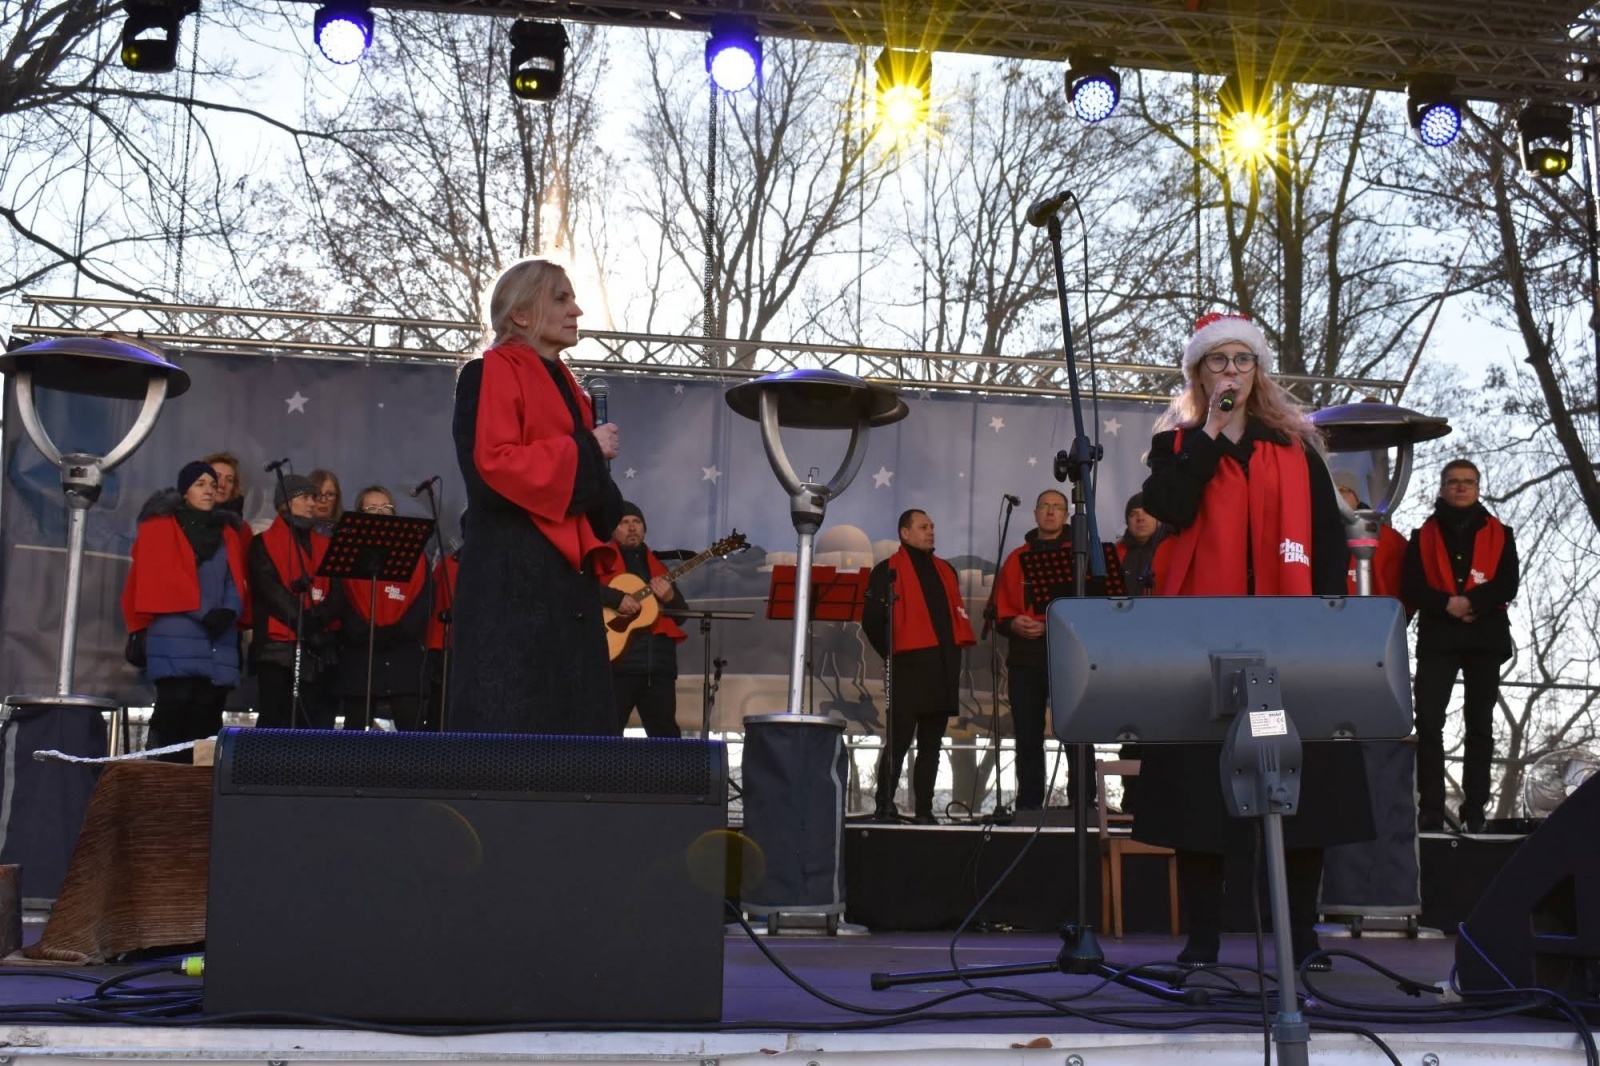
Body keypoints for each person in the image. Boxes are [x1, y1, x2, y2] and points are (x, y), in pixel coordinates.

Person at [1136, 311, 1374, 971]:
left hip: (1285, 636)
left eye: (1242, 360)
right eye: (1219, 361)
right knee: (1198, 798)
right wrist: (1209, 432)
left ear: (1258, 371)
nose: (1232, 371)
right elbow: (1171, 509)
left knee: (1298, 789)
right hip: (1199, 645)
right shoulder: (1179, 445)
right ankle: (1203, 943)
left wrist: (1324, 619)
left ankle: (1302, 942)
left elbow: (1326, 538)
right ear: (1198, 373)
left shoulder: (1294, 448)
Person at [449, 258, 625, 734]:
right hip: (511, 585)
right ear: (522, 315)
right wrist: (588, 447)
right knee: (510, 735)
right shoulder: (485, 374)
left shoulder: (570, 386)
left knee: (575, 743)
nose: (577, 310)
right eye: (561, 298)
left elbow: (589, 489)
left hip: (567, 587)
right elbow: (492, 469)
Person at [1401, 459, 1519, 833]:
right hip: (1438, 637)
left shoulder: (1502, 532)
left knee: (1479, 724)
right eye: (1453, 481)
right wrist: (1446, 604)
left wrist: (1471, 602)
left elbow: (1508, 583)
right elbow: (1412, 585)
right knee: (1430, 721)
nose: (1461, 487)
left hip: (1485, 637)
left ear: (1478, 487)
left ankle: (1475, 808)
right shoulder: (1423, 534)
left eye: (1468, 481)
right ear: (1442, 487)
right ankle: (1431, 807)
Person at [121, 462, 250, 760]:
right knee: (174, 712)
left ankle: (197, 796)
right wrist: (204, 613)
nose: (209, 489)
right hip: (176, 633)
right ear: (184, 491)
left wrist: (229, 610)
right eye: (200, 484)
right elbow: (162, 580)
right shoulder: (160, 527)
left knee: (208, 716)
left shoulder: (227, 532)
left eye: (212, 484)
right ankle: (161, 787)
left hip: (218, 637)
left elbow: (236, 577)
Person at [862, 509, 977, 823]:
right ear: (904, 533)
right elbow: (871, 620)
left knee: (932, 745)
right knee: (898, 742)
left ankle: (925, 810)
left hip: (942, 667)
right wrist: (892, 652)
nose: (931, 532)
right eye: (923, 527)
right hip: (909, 667)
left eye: (932, 526)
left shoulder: (945, 570)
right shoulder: (887, 570)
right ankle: (885, 804)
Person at [991, 489, 1075, 811]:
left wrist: (1050, 625)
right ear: (1035, 514)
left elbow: (1092, 609)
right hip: (1025, 658)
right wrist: (1013, 624)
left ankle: (1081, 801)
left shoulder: (1077, 554)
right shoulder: (1016, 557)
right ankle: (1028, 806)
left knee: (1076, 734)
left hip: (1068, 657)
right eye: (1045, 507)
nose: (1051, 512)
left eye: (1057, 507)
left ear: (1067, 515)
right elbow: (998, 615)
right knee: (1027, 736)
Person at [248, 473, 342, 729]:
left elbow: (339, 592)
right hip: (277, 650)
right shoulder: (261, 544)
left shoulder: (328, 544)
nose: (313, 503)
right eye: (305, 497)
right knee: (275, 720)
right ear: (284, 503)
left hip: (320, 649)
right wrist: (307, 621)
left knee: (314, 722)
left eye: (314, 497)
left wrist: (318, 619)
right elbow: (270, 592)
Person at [333, 486, 429, 731]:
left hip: (404, 658)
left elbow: (425, 599)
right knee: (355, 734)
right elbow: (341, 599)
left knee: (412, 734)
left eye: (386, 507)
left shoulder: (414, 554)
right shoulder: (346, 552)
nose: (380, 513)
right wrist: (364, 632)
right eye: (372, 508)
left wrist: (398, 631)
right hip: (361, 655)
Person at [596, 502, 688, 737]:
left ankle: (669, 776)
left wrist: (670, 596)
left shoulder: (659, 568)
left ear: (644, 529)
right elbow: (583, 590)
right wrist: (617, 599)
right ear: (613, 530)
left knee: (666, 738)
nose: (631, 527)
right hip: (618, 666)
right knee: (606, 733)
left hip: (658, 667)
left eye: (636, 522)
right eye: (624, 522)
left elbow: (682, 615)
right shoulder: (600, 560)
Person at [1332, 469, 1407, 601]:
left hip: (1376, 616)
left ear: (1356, 497)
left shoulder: (1388, 537)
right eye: (1331, 491)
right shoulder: (1314, 535)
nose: (1336, 497)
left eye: (1342, 491)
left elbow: (1409, 586)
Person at [1116, 491, 1166, 594]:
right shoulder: (1115, 554)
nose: (1140, 519)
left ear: (1158, 518)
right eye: (1133, 514)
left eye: (1147, 512)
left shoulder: (1173, 552)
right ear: (1127, 522)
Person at [308, 469, 343, 537]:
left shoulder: (346, 529)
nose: (323, 500)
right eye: (317, 494)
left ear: (337, 498)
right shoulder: (297, 532)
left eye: (330, 494)